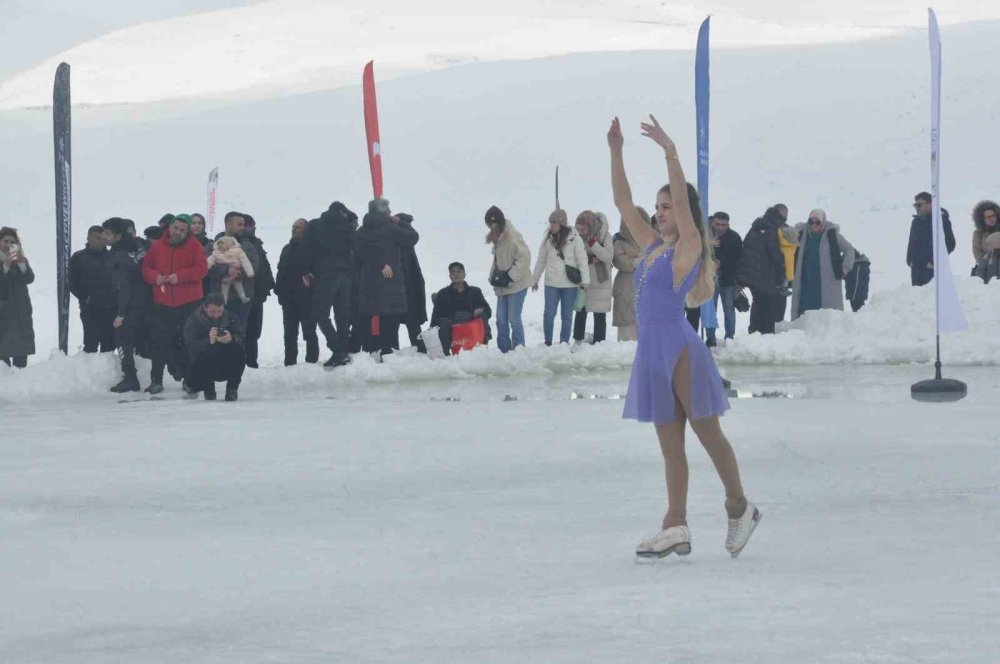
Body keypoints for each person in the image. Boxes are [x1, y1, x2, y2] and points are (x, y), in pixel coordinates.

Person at [608, 115, 758, 560]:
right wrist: (616, 151)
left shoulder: (687, 246)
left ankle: (739, 506)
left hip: (679, 348)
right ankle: (675, 523)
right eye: (658, 206)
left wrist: (670, 152)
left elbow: (686, 211)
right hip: (650, 352)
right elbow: (622, 203)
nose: (659, 212)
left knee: (708, 434)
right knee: (671, 447)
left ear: (685, 211)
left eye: (668, 205)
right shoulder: (652, 246)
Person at [141, 215, 207, 394]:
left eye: (182, 230)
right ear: (170, 228)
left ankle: (189, 379)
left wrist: (180, 276)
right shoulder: (157, 246)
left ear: (187, 232)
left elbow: (202, 269)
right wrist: (156, 277)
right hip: (162, 301)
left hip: (189, 302)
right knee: (159, 341)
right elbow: (146, 268)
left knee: (187, 341)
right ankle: (156, 380)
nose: (178, 232)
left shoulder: (194, 246)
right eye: (176, 228)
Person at [355, 199, 419, 358]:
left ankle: (371, 354)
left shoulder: (361, 231)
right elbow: (413, 238)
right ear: (383, 212)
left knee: (369, 320)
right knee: (390, 324)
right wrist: (402, 222)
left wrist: (378, 264)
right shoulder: (391, 228)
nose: (391, 213)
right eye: (389, 210)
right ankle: (389, 355)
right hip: (391, 284)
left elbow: (359, 252)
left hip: (368, 284)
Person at [303, 202, 357, 367]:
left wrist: (307, 271)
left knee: (320, 313)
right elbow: (355, 248)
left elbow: (306, 248)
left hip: (325, 275)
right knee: (342, 315)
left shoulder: (314, 225)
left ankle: (338, 350)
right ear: (342, 212)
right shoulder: (347, 227)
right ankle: (343, 351)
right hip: (346, 275)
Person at [102, 217, 153, 392]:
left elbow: (123, 287)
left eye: (107, 233)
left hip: (131, 305)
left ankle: (130, 377)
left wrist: (121, 314)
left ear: (118, 235)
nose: (103, 236)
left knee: (122, 339)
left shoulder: (118, 257)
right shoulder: (140, 247)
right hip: (150, 301)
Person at [531, 209, 591, 345]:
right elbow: (541, 259)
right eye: (550, 222)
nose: (551, 225)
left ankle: (564, 343)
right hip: (551, 284)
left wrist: (585, 280)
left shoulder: (575, 239)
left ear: (561, 223)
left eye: (554, 222)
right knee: (549, 314)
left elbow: (582, 260)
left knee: (567, 316)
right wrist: (535, 279)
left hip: (569, 285)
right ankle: (548, 342)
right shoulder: (547, 239)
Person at [790, 209, 857, 320]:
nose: (814, 225)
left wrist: (844, 269)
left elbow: (849, 250)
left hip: (827, 282)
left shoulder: (832, 235)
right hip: (805, 282)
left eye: (817, 222)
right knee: (803, 315)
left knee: (826, 318)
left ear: (824, 222)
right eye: (811, 222)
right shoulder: (801, 233)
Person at [485, 205, 532, 352]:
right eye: (488, 224)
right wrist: (493, 277)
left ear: (499, 222)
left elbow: (525, 257)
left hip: (517, 285)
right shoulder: (497, 238)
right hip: (502, 286)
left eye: (492, 224)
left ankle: (519, 350)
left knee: (513, 318)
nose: (490, 227)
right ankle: (504, 350)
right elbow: (497, 261)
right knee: (500, 319)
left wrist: (510, 277)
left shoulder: (512, 236)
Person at [183, 293, 245, 401]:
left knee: (239, 352)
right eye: (212, 312)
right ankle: (208, 388)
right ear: (205, 307)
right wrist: (209, 341)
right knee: (200, 356)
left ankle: (232, 389)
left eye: (219, 311)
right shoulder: (194, 321)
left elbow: (242, 339)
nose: (216, 315)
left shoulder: (231, 317)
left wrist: (231, 339)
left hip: (226, 359)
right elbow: (190, 345)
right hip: (203, 361)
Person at [735, 206, 786, 335]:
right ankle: (766, 333)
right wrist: (785, 262)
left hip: (751, 274)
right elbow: (774, 253)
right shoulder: (771, 230)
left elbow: (745, 245)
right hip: (764, 274)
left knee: (758, 302)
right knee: (768, 304)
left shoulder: (756, 227)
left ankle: (754, 331)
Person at [276, 218, 320, 365]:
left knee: (309, 332)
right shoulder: (286, 248)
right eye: (293, 227)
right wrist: (279, 291)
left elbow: (317, 271)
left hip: (307, 298)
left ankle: (312, 362)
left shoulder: (313, 248)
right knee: (289, 334)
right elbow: (281, 270)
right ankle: (289, 362)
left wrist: (310, 278)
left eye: (298, 227)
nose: (294, 229)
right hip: (288, 298)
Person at [206, 212, 260, 330]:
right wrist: (226, 270)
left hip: (241, 299)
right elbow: (207, 268)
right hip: (218, 301)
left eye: (243, 225)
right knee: (218, 335)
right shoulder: (212, 246)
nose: (242, 227)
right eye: (239, 224)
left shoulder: (247, 246)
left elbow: (253, 268)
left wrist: (237, 273)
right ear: (229, 225)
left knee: (238, 335)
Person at [69, 225, 116, 353]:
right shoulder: (79, 257)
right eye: (96, 238)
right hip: (90, 309)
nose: (100, 241)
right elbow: (72, 282)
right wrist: (86, 297)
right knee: (91, 344)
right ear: (88, 238)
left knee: (109, 346)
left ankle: (108, 372)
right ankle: (90, 371)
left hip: (111, 308)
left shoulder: (112, 256)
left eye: (102, 238)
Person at [429, 262, 492, 355]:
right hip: (452, 330)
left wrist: (481, 310)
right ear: (450, 276)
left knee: (482, 316)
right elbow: (435, 319)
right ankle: (445, 358)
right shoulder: (442, 294)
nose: (456, 274)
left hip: (471, 329)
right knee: (442, 322)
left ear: (464, 274)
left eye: (459, 271)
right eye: (453, 272)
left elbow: (488, 312)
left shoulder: (475, 292)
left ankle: (481, 353)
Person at [612, 206, 654, 342]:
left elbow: (656, 259)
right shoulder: (619, 241)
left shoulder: (652, 241)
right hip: (625, 287)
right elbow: (619, 260)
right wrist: (639, 262)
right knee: (627, 327)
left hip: (647, 286)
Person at [573, 210, 614, 345]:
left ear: (590, 225)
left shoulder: (604, 236)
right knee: (581, 309)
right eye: (578, 228)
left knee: (599, 311)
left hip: (600, 279)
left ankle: (599, 342)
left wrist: (592, 243)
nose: (580, 231)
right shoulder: (577, 237)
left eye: (582, 228)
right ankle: (578, 339)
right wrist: (589, 258)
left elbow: (608, 256)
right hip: (584, 278)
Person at [241, 215, 274, 369]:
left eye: (251, 225)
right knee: (240, 330)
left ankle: (252, 362)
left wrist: (270, 284)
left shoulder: (257, 244)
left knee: (254, 332)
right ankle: (239, 362)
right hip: (240, 294)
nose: (250, 228)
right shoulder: (236, 243)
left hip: (257, 294)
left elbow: (265, 267)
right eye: (246, 225)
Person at [0, 228, 35, 368]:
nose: (9, 244)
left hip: (21, 311)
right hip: (3, 312)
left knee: (21, 351)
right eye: (5, 241)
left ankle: (21, 381)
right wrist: (5, 267)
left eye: (12, 242)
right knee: (3, 353)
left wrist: (21, 264)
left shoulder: (21, 259)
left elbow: (30, 278)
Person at [907, 191, 956, 286]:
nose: (917, 208)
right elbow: (911, 242)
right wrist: (909, 259)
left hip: (932, 270)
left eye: (920, 205)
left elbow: (950, 244)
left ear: (930, 204)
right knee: (917, 298)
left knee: (931, 298)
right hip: (916, 270)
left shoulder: (940, 220)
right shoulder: (916, 222)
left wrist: (934, 262)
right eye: (915, 205)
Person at [395, 213, 428, 349]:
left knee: (411, 321)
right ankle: (417, 348)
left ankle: (418, 348)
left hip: (408, 285)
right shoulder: (402, 238)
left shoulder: (404, 241)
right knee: (405, 320)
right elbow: (413, 235)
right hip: (403, 286)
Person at [709, 212, 743, 341]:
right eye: (717, 224)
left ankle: (730, 337)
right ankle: (711, 338)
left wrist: (740, 281)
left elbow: (740, 259)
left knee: (729, 309)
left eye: (723, 225)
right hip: (710, 280)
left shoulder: (734, 237)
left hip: (728, 280)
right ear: (712, 223)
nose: (720, 227)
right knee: (710, 309)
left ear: (728, 224)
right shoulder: (707, 236)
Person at [206, 236, 255, 304]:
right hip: (224, 276)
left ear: (228, 244)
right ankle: (224, 302)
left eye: (222, 244)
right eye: (218, 244)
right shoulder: (216, 253)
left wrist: (249, 272)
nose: (220, 246)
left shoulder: (238, 251)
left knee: (239, 287)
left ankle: (243, 297)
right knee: (224, 289)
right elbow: (209, 261)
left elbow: (245, 261)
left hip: (237, 273)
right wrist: (205, 267)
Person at [774, 204, 796, 323]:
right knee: (780, 304)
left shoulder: (772, 229)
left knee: (775, 303)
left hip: (778, 270)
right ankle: (778, 324)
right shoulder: (790, 230)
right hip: (787, 271)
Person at [971, 200, 1000, 273]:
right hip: (987, 267)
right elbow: (977, 251)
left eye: (993, 215)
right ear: (982, 219)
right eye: (988, 217)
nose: (991, 219)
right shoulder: (978, 233)